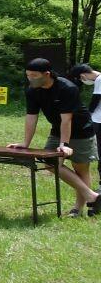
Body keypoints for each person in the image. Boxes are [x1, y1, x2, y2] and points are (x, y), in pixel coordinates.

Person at [9, 58, 100, 216]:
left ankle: (77, 210)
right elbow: (31, 117)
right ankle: (93, 196)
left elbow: (67, 120)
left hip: (81, 131)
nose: (30, 78)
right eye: (28, 75)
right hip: (57, 130)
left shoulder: (67, 88)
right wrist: (25, 142)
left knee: (81, 169)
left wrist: (63, 144)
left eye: (34, 75)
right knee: (50, 162)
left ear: (47, 74)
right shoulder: (32, 90)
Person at [69, 62, 101, 191]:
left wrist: (88, 113)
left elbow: (96, 99)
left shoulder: (99, 79)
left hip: (98, 120)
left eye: (81, 79)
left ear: (82, 75)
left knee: (99, 150)